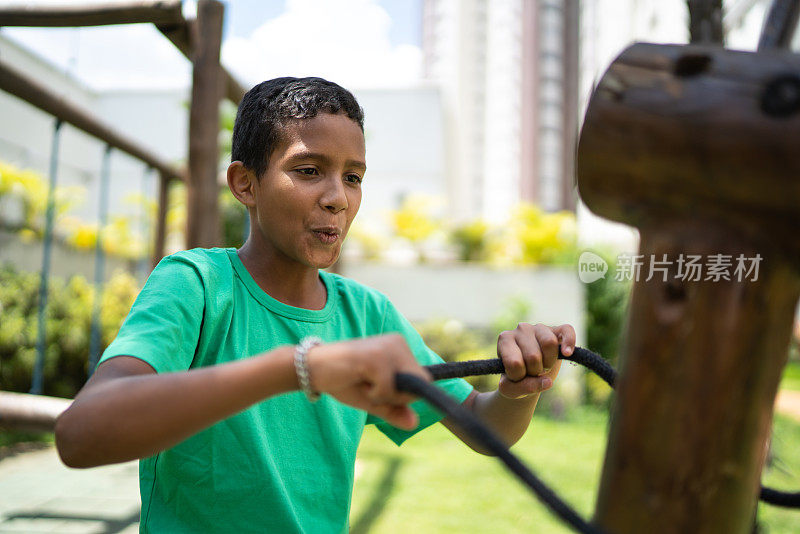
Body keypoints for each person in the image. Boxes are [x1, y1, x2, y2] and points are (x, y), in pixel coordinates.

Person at [54, 77, 576, 533]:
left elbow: (479, 427)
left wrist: (518, 389)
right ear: (245, 184)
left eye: (353, 177)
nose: (338, 198)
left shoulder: (366, 314)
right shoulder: (197, 285)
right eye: (308, 170)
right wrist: (299, 368)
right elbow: (81, 435)